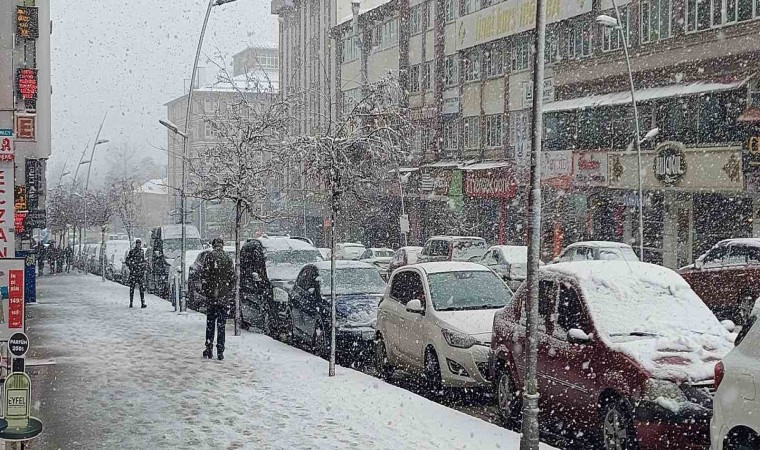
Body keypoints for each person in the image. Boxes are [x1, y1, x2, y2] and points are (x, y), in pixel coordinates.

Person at [201, 238, 235, 361]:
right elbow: (233, 278)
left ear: (213, 245)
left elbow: (204, 276)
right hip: (223, 297)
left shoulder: (209, 257)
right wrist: (226, 291)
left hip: (212, 297)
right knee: (222, 325)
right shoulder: (227, 258)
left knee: (210, 323)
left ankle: (209, 347)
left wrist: (208, 291)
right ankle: (220, 350)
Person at [125, 239, 147, 309]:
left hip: (140, 272)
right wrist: (131, 266)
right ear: (136, 244)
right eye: (137, 243)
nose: (138, 245)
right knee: (132, 288)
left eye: (139, 244)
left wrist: (143, 265)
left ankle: (142, 303)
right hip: (134, 272)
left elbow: (143, 260)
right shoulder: (132, 251)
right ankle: (131, 302)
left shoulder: (142, 251)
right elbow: (127, 260)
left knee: (142, 289)